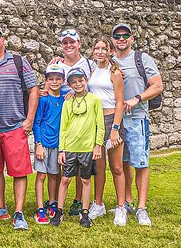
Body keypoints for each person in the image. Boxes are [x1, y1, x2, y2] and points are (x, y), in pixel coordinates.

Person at [0, 23, 39, 230]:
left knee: (19, 171)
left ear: (4, 39)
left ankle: (19, 212)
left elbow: (33, 90)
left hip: (15, 125)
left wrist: (29, 119)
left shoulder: (18, 62)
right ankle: (0, 208)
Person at [111, 23, 164, 226]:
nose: (121, 38)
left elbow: (158, 85)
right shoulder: (110, 60)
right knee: (122, 163)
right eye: (117, 35)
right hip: (116, 120)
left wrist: (137, 98)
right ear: (113, 39)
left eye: (125, 35)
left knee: (140, 163)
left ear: (132, 38)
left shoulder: (142, 59)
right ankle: (127, 202)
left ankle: (142, 208)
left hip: (136, 118)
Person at [51, 68, 104, 228]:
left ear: (86, 80)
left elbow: (100, 125)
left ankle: (85, 211)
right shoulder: (68, 103)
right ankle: (59, 211)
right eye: (74, 82)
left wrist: (98, 145)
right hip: (70, 147)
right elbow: (63, 127)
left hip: (87, 147)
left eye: (80, 80)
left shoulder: (95, 100)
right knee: (65, 179)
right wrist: (62, 149)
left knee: (85, 179)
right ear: (69, 84)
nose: (78, 84)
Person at [52, 28, 96, 217]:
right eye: (65, 43)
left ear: (79, 43)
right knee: (61, 158)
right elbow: (49, 84)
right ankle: (55, 201)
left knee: (81, 161)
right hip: (62, 113)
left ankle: (78, 200)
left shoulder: (89, 64)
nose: (69, 46)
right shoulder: (57, 64)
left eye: (72, 42)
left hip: (84, 114)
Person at [87, 36, 128, 226]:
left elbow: (120, 102)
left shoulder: (116, 73)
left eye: (104, 48)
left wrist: (116, 129)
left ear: (110, 51)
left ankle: (121, 207)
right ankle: (98, 203)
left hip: (112, 120)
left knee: (117, 167)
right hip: (96, 122)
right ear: (93, 51)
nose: (100, 51)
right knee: (99, 167)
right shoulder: (92, 71)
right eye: (97, 48)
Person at [32, 64, 66, 225]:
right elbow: (36, 122)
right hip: (43, 142)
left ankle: (52, 202)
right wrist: (38, 143)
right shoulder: (43, 99)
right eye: (51, 79)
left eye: (58, 79)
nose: (54, 82)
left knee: (54, 174)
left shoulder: (65, 98)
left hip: (57, 143)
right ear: (46, 80)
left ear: (63, 81)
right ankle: (40, 208)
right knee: (41, 175)